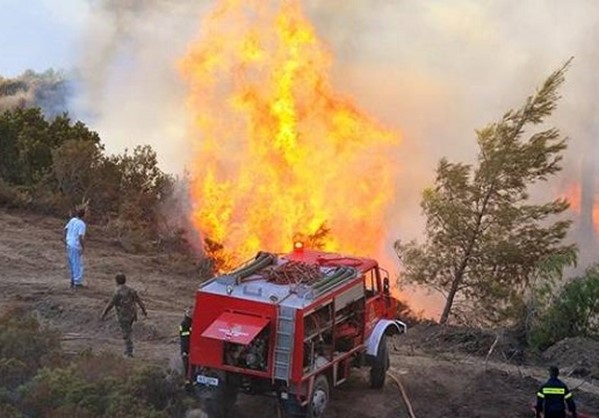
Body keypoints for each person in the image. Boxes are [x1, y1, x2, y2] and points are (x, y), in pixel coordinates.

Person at [101, 273, 148, 357]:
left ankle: (129, 352)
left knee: (126, 333)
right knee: (128, 331)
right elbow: (139, 301)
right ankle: (129, 349)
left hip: (123, 315)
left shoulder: (117, 292)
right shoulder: (131, 290)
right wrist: (144, 310)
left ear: (116, 281)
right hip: (132, 314)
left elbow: (110, 304)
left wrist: (104, 313)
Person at [64, 207, 87, 288]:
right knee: (77, 263)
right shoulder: (82, 224)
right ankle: (77, 282)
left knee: (72, 262)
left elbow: (66, 229)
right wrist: (83, 247)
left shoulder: (72, 220)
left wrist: (66, 239)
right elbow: (81, 236)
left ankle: (73, 280)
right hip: (75, 245)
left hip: (69, 243)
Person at [179, 307, 193, 385]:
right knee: (186, 364)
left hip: (192, 346)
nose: (192, 314)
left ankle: (190, 379)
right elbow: (183, 337)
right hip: (186, 347)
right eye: (190, 312)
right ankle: (186, 379)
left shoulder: (192, 322)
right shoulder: (184, 324)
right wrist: (184, 351)